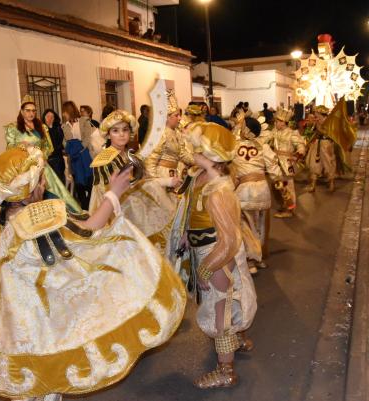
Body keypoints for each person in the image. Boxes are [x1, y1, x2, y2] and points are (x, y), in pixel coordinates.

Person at [0, 146, 186, 401]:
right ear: (30, 187)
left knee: (34, 386)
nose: (45, 183)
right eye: (42, 178)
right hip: (43, 321)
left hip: (18, 322)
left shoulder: (3, 219)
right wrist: (114, 194)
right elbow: (88, 230)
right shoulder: (35, 219)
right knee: (48, 385)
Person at [170, 122, 257, 389]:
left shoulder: (219, 191)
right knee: (226, 301)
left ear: (209, 155)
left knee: (221, 309)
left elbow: (229, 240)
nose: (191, 151)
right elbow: (194, 214)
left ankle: (225, 370)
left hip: (217, 254)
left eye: (196, 148)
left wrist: (206, 268)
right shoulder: (201, 178)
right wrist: (187, 234)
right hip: (204, 250)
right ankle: (238, 339)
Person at [89, 109, 179, 251]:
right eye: (116, 131)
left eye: (125, 130)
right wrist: (162, 182)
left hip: (132, 205)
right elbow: (108, 192)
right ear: (108, 134)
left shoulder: (127, 154)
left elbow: (139, 181)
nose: (121, 134)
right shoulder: (105, 158)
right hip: (117, 212)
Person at [4, 95, 80, 213]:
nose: (31, 113)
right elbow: (9, 148)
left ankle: (57, 216)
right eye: (28, 110)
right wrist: (22, 146)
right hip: (23, 167)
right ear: (22, 111)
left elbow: (48, 147)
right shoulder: (13, 128)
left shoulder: (42, 127)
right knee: (26, 196)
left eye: (34, 111)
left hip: (41, 165)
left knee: (53, 191)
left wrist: (41, 157)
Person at [233, 117, 282, 271]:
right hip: (262, 190)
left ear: (245, 130)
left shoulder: (233, 147)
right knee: (260, 224)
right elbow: (274, 168)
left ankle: (251, 260)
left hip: (245, 192)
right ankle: (259, 258)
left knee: (246, 226)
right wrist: (278, 181)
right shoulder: (264, 147)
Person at [257, 109, 306, 218]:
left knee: (288, 186)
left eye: (278, 121)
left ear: (284, 122)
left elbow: (300, 144)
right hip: (275, 162)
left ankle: (290, 210)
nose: (276, 123)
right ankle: (284, 205)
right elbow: (266, 138)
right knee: (277, 185)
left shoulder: (292, 133)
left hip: (287, 163)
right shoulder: (275, 131)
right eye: (276, 121)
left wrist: (300, 152)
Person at [144, 91, 194, 181]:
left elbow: (182, 153)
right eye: (176, 115)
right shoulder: (159, 134)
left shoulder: (177, 133)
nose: (180, 118)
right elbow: (150, 161)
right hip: (162, 175)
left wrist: (197, 162)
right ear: (166, 117)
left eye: (180, 115)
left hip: (174, 173)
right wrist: (155, 182)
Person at [62, 101, 94, 210]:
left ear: (69, 111)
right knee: (79, 184)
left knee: (89, 183)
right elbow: (65, 141)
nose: (63, 114)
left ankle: (91, 205)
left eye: (64, 111)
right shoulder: (64, 125)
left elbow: (87, 138)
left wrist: (79, 148)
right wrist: (70, 148)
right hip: (74, 158)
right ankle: (84, 207)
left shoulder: (84, 121)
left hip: (85, 155)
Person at [42, 108, 66, 185]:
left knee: (59, 181)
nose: (50, 119)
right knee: (48, 183)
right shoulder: (41, 129)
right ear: (44, 118)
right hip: (46, 160)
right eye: (48, 116)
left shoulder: (58, 128)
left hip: (57, 159)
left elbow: (61, 143)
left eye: (52, 117)